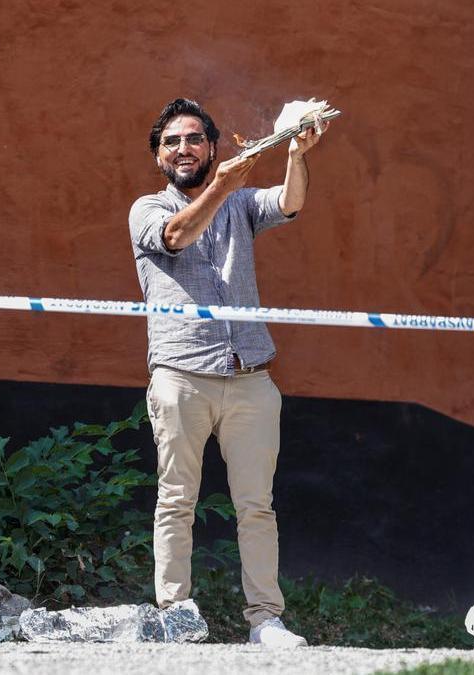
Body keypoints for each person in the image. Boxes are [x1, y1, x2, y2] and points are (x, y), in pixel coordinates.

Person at [128, 98, 328, 647]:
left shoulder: (240, 203)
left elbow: (290, 202)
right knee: (176, 500)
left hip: (250, 376)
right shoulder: (146, 207)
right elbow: (176, 236)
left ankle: (266, 620)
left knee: (256, 507)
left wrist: (296, 151)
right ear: (159, 156)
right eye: (172, 141)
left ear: (212, 147)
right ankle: (176, 616)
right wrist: (221, 185)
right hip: (180, 375)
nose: (184, 148)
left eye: (194, 139)